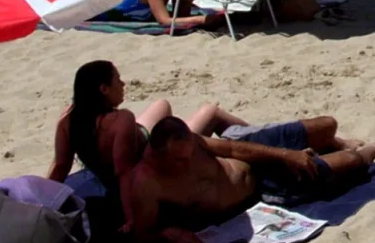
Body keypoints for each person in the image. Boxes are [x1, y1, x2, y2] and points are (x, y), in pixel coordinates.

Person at [120, 115, 375, 243]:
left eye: (188, 155)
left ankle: (326, 144)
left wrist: (284, 154)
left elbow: (231, 149)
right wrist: (166, 232)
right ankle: (373, 152)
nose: (186, 163)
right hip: (262, 191)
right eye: (178, 161)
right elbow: (140, 235)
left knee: (326, 125)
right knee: (346, 164)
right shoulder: (146, 183)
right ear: (156, 153)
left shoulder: (188, 141)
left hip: (256, 159)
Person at [47, 61, 245, 191]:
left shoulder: (69, 121)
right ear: (104, 89)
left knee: (162, 105)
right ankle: (262, 136)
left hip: (138, 140)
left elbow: (60, 166)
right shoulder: (121, 121)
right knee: (210, 112)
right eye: (118, 80)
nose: (123, 85)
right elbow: (124, 172)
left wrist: (43, 199)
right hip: (150, 153)